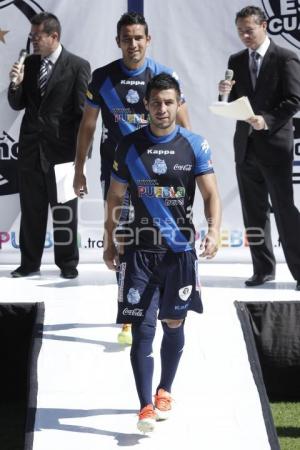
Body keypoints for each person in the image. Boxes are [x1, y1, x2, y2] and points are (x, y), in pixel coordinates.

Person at [103, 73, 221, 432]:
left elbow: (211, 194)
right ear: (147, 105)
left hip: (179, 253)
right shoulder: (128, 146)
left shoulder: (195, 145)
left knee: (173, 324)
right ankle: (144, 406)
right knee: (141, 329)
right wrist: (110, 240)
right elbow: (115, 197)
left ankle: (165, 389)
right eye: (156, 102)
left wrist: (214, 230)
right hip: (138, 252)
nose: (163, 108)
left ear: (178, 103)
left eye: (169, 102)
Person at [73, 11, 191, 344]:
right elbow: (87, 126)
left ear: (148, 40)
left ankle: (164, 303)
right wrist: (79, 168)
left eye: (139, 37)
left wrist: (190, 169)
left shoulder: (164, 75)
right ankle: (129, 310)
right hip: (118, 174)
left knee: (159, 239)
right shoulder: (102, 78)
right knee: (124, 238)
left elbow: (185, 127)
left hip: (161, 175)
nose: (133, 44)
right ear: (118, 42)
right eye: (127, 38)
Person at [218, 5, 300, 291]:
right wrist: (224, 92)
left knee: (284, 211)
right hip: (245, 147)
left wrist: (266, 120)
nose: (244, 36)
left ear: (264, 25)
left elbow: (294, 99)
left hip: (275, 146)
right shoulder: (236, 60)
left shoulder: (285, 58)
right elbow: (232, 102)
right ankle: (263, 270)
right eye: (240, 31)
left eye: (249, 30)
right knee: (253, 213)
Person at [8, 12, 91, 279]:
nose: (33, 41)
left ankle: (68, 264)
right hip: (31, 151)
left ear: (54, 36)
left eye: (37, 36)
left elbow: (83, 115)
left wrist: (81, 160)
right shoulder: (30, 64)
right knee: (32, 211)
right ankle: (29, 263)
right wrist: (15, 84)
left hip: (64, 152)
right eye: (32, 36)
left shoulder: (78, 66)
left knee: (65, 212)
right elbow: (17, 103)